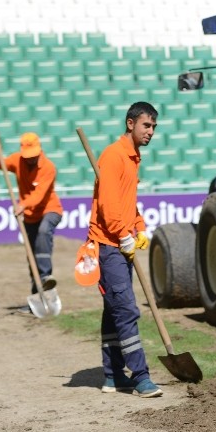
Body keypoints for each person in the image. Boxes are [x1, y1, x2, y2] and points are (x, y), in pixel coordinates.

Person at [88, 102, 162, 398]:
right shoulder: (114, 155)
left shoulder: (133, 157)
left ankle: (113, 375)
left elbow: (126, 200)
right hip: (108, 244)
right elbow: (107, 204)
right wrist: (122, 234)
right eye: (147, 125)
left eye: (154, 127)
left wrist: (139, 226)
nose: (151, 132)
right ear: (131, 124)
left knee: (114, 310)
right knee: (127, 309)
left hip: (119, 241)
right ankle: (141, 377)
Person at [0, 129, 63, 294]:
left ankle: (45, 276)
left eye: (33, 155)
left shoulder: (48, 167)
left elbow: (39, 195)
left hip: (49, 209)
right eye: (27, 156)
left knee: (44, 232)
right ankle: (36, 294)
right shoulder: (18, 160)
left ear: (40, 150)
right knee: (32, 254)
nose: (30, 159)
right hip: (29, 216)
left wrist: (22, 205)